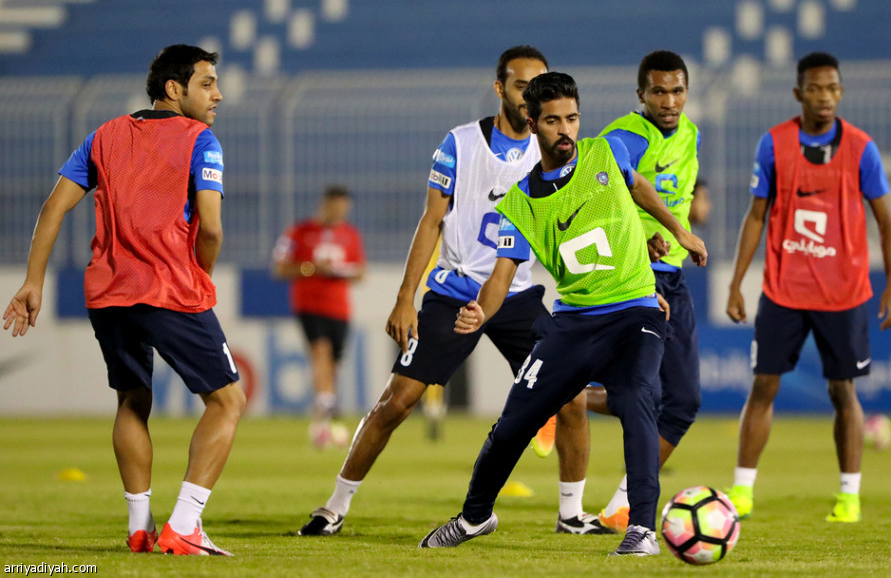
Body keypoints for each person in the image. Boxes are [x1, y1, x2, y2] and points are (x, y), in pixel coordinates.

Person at [297, 46, 608, 537]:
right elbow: (431, 219)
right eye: (522, 85)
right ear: (500, 88)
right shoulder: (460, 144)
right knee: (397, 401)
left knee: (570, 398)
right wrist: (406, 295)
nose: (531, 95)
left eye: (539, 85)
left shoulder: (555, 146)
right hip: (454, 291)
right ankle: (333, 507)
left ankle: (571, 514)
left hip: (517, 293)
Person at [418, 71, 708, 556]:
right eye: (553, 121)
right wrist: (479, 313)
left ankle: (641, 528)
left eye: (572, 118)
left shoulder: (604, 153)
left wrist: (678, 232)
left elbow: (639, 189)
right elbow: (500, 279)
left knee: (638, 395)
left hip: (635, 306)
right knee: (513, 423)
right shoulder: (520, 205)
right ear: (532, 124)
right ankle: (474, 518)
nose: (566, 130)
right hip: (573, 322)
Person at [2, 44, 246, 555]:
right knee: (227, 401)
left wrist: (32, 281)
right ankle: (184, 525)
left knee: (133, 399)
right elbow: (213, 228)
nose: (218, 94)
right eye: (207, 83)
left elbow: (53, 208)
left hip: (108, 293)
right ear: (174, 90)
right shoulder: (201, 139)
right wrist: (199, 274)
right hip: (169, 288)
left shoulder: (104, 136)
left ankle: (140, 528)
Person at [725, 52, 891, 523]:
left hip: (843, 294)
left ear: (841, 92)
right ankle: (742, 491)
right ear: (799, 93)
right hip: (783, 290)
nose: (826, 97)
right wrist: (737, 283)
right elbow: (756, 215)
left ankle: (849, 496)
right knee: (763, 386)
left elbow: (886, 222)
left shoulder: (862, 148)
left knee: (843, 392)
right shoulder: (775, 144)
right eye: (816, 89)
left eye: (833, 89)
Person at [580, 51, 704, 532]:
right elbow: (611, 188)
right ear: (641, 96)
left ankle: (565, 398)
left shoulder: (690, 132)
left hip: (673, 272)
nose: (669, 101)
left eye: (676, 91)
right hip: (637, 276)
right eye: (658, 92)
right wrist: (648, 232)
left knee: (685, 400)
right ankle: (629, 512)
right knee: (645, 394)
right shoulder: (626, 134)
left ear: (686, 92)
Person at [272, 186, 366, 448]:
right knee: (320, 351)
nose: (340, 211)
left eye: (344, 207)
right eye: (336, 206)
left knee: (332, 365)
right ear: (324, 204)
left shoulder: (350, 235)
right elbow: (280, 268)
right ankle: (326, 407)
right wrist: (312, 268)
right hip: (309, 304)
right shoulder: (300, 232)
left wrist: (341, 271)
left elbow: (360, 272)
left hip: (340, 308)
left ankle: (322, 420)